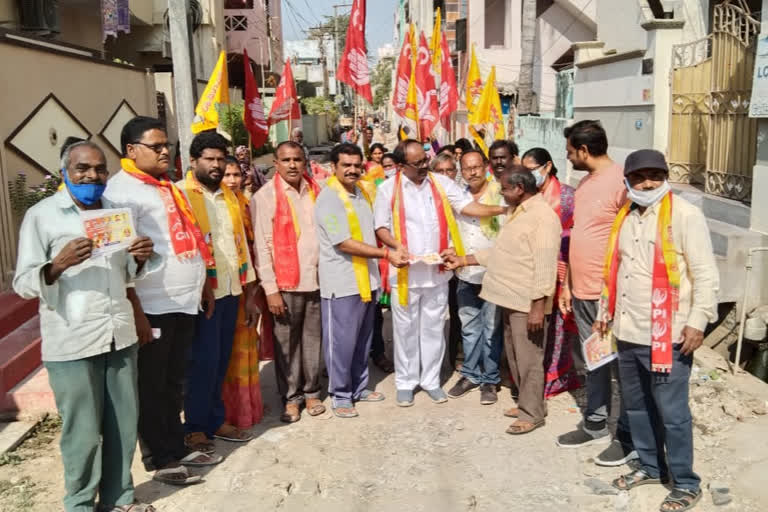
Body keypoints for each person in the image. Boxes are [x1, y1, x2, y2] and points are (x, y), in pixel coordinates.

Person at [14, 140, 157, 511]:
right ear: (65, 172)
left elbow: (127, 274)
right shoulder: (43, 216)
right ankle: (79, 503)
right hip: (72, 340)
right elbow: (24, 282)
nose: (92, 176)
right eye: (82, 169)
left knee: (123, 425)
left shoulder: (117, 214)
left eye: (99, 169)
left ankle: (119, 498)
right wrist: (57, 265)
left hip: (118, 334)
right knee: (81, 434)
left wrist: (140, 258)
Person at [597, 150, 718, 512]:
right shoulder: (625, 217)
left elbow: (705, 274)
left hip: (669, 334)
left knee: (673, 412)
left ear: (665, 177)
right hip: (629, 331)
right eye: (639, 177)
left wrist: (698, 321)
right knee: (636, 407)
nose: (647, 183)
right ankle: (650, 466)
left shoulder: (685, 215)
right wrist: (606, 313)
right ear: (628, 181)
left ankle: (684, 482)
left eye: (654, 176)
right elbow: (617, 271)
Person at [105, 116, 221, 485]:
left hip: (182, 300)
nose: (164, 151)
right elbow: (119, 258)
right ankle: (160, 456)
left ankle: (177, 444)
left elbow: (183, 239)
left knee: (175, 381)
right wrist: (135, 310)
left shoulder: (164, 185)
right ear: (130, 150)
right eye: (155, 146)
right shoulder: (120, 192)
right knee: (152, 385)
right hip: (151, 304)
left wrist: (202, 283)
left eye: (166, 145)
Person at [373, 139, 508, 407]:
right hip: (405, 273)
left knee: (433, 328)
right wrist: (395, 246)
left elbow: (468, 208)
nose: (425, 165)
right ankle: (406, 382)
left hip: (436, 272)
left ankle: (431, 380)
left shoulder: (441, 184)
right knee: (405, 329)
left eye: (425, 160)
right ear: (400, 166)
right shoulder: (388, 189)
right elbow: (381, 227)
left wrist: (504, 208)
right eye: (418, 163)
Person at [443, 169, 561, 435]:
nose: (502, 195)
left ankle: (532, 414)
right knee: (517, 356)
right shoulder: (518, 213)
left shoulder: (542, 217)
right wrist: (465, 260)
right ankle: (527, 404)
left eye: (505, 190)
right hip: (510, 297)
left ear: (519, 188)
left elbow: (544, 265)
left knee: (529, 358)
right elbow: (500, 252)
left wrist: (538, 308)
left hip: (528, 303)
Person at [556, 120, 636, 466]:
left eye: (570, 151)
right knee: (595, 359)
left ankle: (630, 437)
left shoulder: (623, 183)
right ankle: (596, 422)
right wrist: (569, 284)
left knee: (625, 366)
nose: (568, 157)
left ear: (584, 150)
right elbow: (578, 235)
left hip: (612, 293)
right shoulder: (585, 183)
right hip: (583, 290)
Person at [176, 132, 260, 450]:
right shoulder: (180, 195)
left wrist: (249, 295)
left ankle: (214, 420)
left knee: (220, 360)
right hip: (199, 294)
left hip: (231, 290)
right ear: (193, 161)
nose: (215, 165)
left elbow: (240, 246)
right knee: (200, 362)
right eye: (209, 159)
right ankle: (194, 427)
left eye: (220, 159)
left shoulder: (230, 197)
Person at [315, 143, 409, 417]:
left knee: (362, 339)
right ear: (334, 167)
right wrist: (385, 253)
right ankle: (341, 394)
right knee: (341, 342)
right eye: (346, 165)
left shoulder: (362, 193)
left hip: (367, 280)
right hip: (341, 284)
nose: (353, 170)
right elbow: (343, 242)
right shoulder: (329, 199)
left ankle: (358, 386)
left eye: (357, 165)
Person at [252, 141, 325, 423]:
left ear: (304, 162)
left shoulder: (317, 190)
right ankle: (291, 398)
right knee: (287, 345)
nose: (293, 165)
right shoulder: (264, 196)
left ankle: (312, 392)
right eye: (286, 160)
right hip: (285, 284)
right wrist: (270, 290)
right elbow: (261, 245)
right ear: (276, 163)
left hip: (317, 279)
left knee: (312, 341)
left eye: (297, 159)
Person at [521, 148, 581, 398]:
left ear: (546, 167)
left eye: (532, 169)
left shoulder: (568, 195)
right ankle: (530, 375)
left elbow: (578, 231)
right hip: (530, 266)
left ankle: (557, 376)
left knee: (559, 325)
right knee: (534, 322)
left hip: (561, 267)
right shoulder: (528, 194)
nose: (528, 174)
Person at [447, 150, 504, 405]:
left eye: (477, 167)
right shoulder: (457, 198)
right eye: (467, 168)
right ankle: (471, 374)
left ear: (486, 167)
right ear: (461, 171)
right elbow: (450, 230)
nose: (472, 172)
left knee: (492, 329)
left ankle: (490, 380)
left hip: (493, 274)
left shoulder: (500, 195)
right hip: (465, 273)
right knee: (469, 328)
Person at [220, 157, 265, 429]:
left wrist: (254, 291)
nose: (232, 180)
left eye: (236, 174)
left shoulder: (247, 205)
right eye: (227, 175)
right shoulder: (218, 207)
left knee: (249, 349)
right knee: (228, 355)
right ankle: (230, 412)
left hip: (250, 284)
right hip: (226, 287)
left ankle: (249, 407)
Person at [429, 152, 462, 369]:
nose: (445, 175)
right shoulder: (426, 198)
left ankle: (457, 357)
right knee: (434, 318)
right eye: (439, 171)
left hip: (461, 264)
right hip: (434, 266)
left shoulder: (462, 196)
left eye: (449, 170)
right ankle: (433, 363)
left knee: (459, 312)